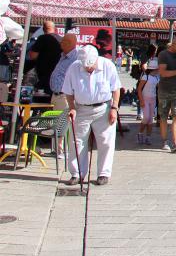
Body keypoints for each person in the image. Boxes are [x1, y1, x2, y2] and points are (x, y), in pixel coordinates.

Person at [61, 46, 120, 186]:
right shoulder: (74, 68)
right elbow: (68, 91)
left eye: (90, 65)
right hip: (81, 109)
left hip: (103, 108)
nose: (88, 68)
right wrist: (72, 108)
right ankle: (77, 173)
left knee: (105, 142)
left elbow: (116, 88)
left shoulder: (107, 65)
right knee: (77, 142)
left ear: (96, 59)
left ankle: (103, 173)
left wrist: (114, 108)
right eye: (85, 66)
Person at [157, 35, 176, 153]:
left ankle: (175, 142)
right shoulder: (163, 55)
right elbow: (163, 73)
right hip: (164, 90)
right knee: (163, 116)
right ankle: (165, 141)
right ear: (173, 44)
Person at [27, 21, 61, 97]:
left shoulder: (42, 38)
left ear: (43, 29)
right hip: (57, 73)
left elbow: (33, 56)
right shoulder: (61, 39)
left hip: (43, 72)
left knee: (41, 95)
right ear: (55, 29)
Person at [49, 33, 82, 112]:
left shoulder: (75, 58)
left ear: (69, 43)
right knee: (55, 119)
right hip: (56, 96)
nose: (60, 43)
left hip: (65, 97)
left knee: (63, 119)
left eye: (63, 41)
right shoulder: (63, 55)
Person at [137, 58, 159, 145]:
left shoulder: (156, 78)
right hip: (145, 99)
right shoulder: (145, 77)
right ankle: (140, 133)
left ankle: (148, 137)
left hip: (153, 99)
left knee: (150, 119)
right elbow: (139, 89)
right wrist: (141, 100)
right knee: (146, 117)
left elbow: (158, 87)